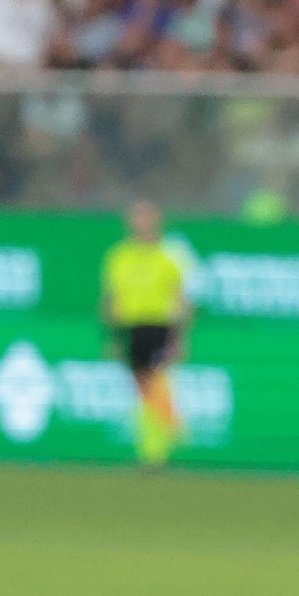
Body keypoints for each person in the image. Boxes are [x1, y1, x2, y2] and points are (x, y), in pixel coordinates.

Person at [100, 200, 193, 470]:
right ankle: (162, 436)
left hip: (158, 326)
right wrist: (113, 338)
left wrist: (180, 339)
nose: (141, 223)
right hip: (131, 327)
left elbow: (181, 300)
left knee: (156, 383)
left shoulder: (169, 257)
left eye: (146, 218)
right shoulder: (119, 256)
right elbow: (112, 299)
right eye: (137, 218)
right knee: (142, 389)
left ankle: (156, 451)